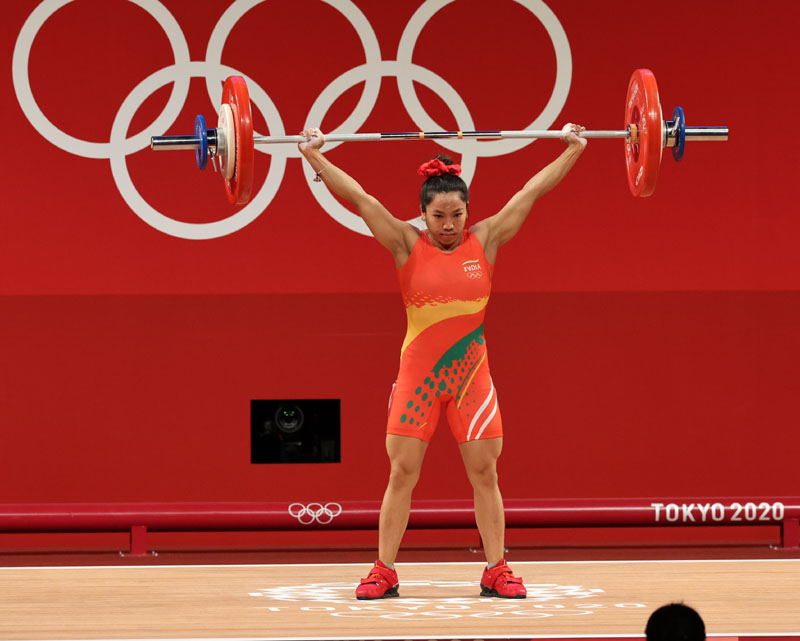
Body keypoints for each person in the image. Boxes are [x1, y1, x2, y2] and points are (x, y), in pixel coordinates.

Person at [298, 124, 587, 600]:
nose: (448, 225)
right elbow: (360, 198)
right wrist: (314, 156)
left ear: (468, 212)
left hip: (472, 376)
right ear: (423, 214)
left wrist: (573, 149)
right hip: (420, 379)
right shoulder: (406, 244)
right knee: (401, 472)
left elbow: (531, 191)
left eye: (457, 215)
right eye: (438, 216)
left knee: (485, 473)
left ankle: (496, 569)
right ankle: (384, 571)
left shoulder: (486, 240)